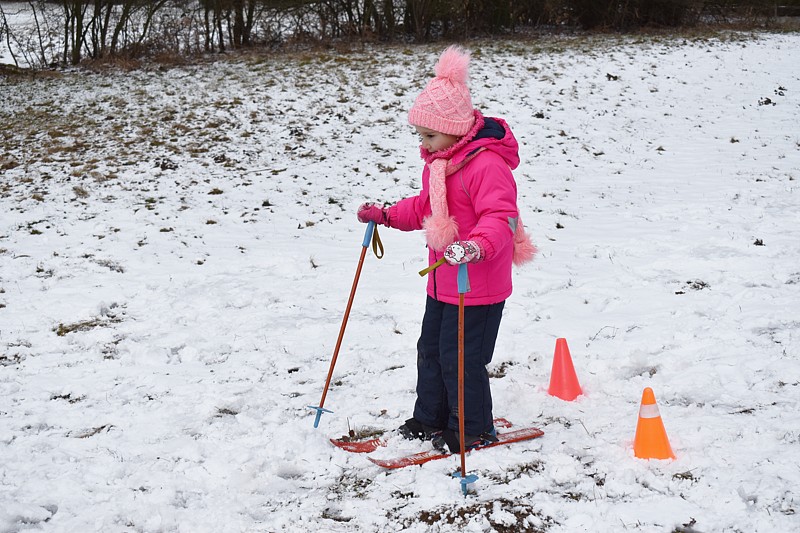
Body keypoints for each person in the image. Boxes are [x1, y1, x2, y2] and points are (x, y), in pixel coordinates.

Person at [357, 45, 536, 453]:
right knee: (432, 351)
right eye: (420, 135)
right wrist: (384, 215)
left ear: (455, 128)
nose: (424, 143)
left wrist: (475, 247)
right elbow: (424, 208)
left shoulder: (485, 165)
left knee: (462, 358)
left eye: (430, 135)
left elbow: (501, 217)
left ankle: (472, 427)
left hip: (478, 284)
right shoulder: (440, 165)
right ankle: (431, 418)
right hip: (443, 280)